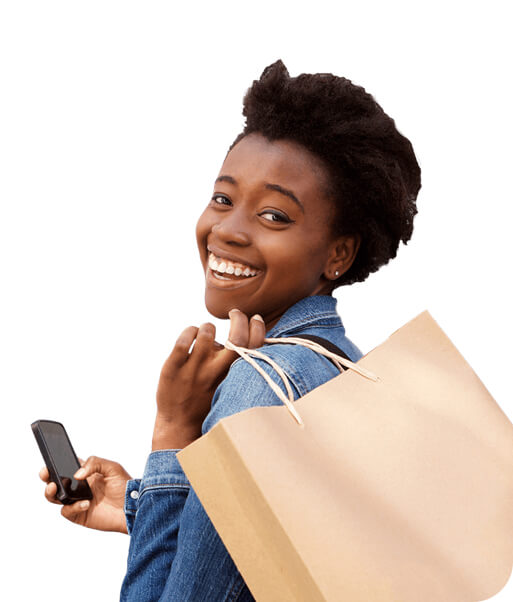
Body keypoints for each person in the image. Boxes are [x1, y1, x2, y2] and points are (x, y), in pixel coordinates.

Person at [38, 59, 421, 601]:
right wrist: (140, 504)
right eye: (223, 199)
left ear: (339, 254)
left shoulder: (263, 392)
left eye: (274, 216)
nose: (228, 230)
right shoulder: (345, 370)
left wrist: (173, 430)